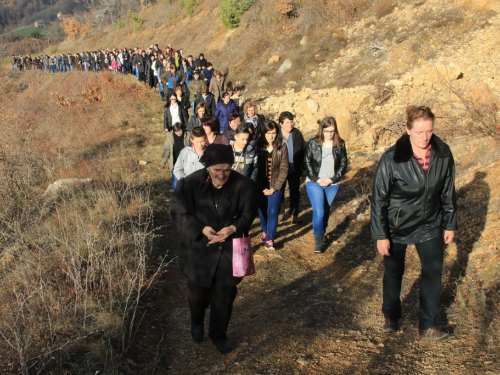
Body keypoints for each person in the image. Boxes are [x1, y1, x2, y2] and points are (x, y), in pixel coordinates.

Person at [370, 105, 457, 341]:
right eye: (419, 132)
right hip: (397, 226)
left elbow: (448, 191)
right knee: (394, 271)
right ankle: (391, 316)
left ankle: (427, 325)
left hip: (430, 224)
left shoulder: (443, 153)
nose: (424, 137)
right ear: (408, 129)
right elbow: (379, 198)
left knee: (433, 272)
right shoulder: (391, 158)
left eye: (428, 131)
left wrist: (449, 223)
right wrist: (380, 234)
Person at [169, 144, 259, 354]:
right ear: (207, 167)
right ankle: (197, 321)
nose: (222, 175)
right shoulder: (189, 184)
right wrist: (201, 228)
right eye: (216, 169)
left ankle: (219, 334)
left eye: (227, 169)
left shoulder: (244, 185)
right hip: (199, 249)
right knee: (198, 292)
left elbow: (249, 212)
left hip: (229, 249)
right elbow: (176, 212)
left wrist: (233, 228)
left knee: (225, 294)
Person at [304, 117, 348, 253]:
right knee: (319, 211)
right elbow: (307, 161)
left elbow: (343, 164)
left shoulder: (340, 144)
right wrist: (316, 178)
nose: (330, 134)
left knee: (326, 210)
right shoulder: (313, 143)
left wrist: (333, 179)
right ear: (321, 129)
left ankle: (322, 233)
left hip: (332, 183)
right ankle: (318, 241)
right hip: (314, 182)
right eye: (327, 131)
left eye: (332, 131)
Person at [255, 120, 289, 251]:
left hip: (276, 186)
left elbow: (284, 169)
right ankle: (264, 230)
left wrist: (274, 188)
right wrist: (260, 186)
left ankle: (270, 238)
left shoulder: (282, 147)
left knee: (273, 211)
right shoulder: (258, 148)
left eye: (274, 133)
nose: (271, 136)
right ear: (263, 133)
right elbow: (255, 169)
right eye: (268, 133)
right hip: (261, 186)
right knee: (263, 211)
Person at [278, 111, 306, 223]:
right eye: (287, 122)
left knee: (295, 191)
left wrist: (304, 167)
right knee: (280, 190)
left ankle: (294, 214)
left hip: (294, 167)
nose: (290, 124)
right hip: (280, 168)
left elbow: (304, 151)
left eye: (291, 122)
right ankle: (280, 212)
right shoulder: (277, 134)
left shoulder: (297, 134)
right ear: (281, 123)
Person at [161, 123, 191, 191]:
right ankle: (175, 195)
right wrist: (163, 162)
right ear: (174, 131)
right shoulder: (170, 137)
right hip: (174, 161)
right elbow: (167, 149)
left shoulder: (188, 135)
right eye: (177, 132)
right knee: (175, 180)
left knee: (186, 179)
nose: (179, 133)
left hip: (186, 161)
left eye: (180, 131)